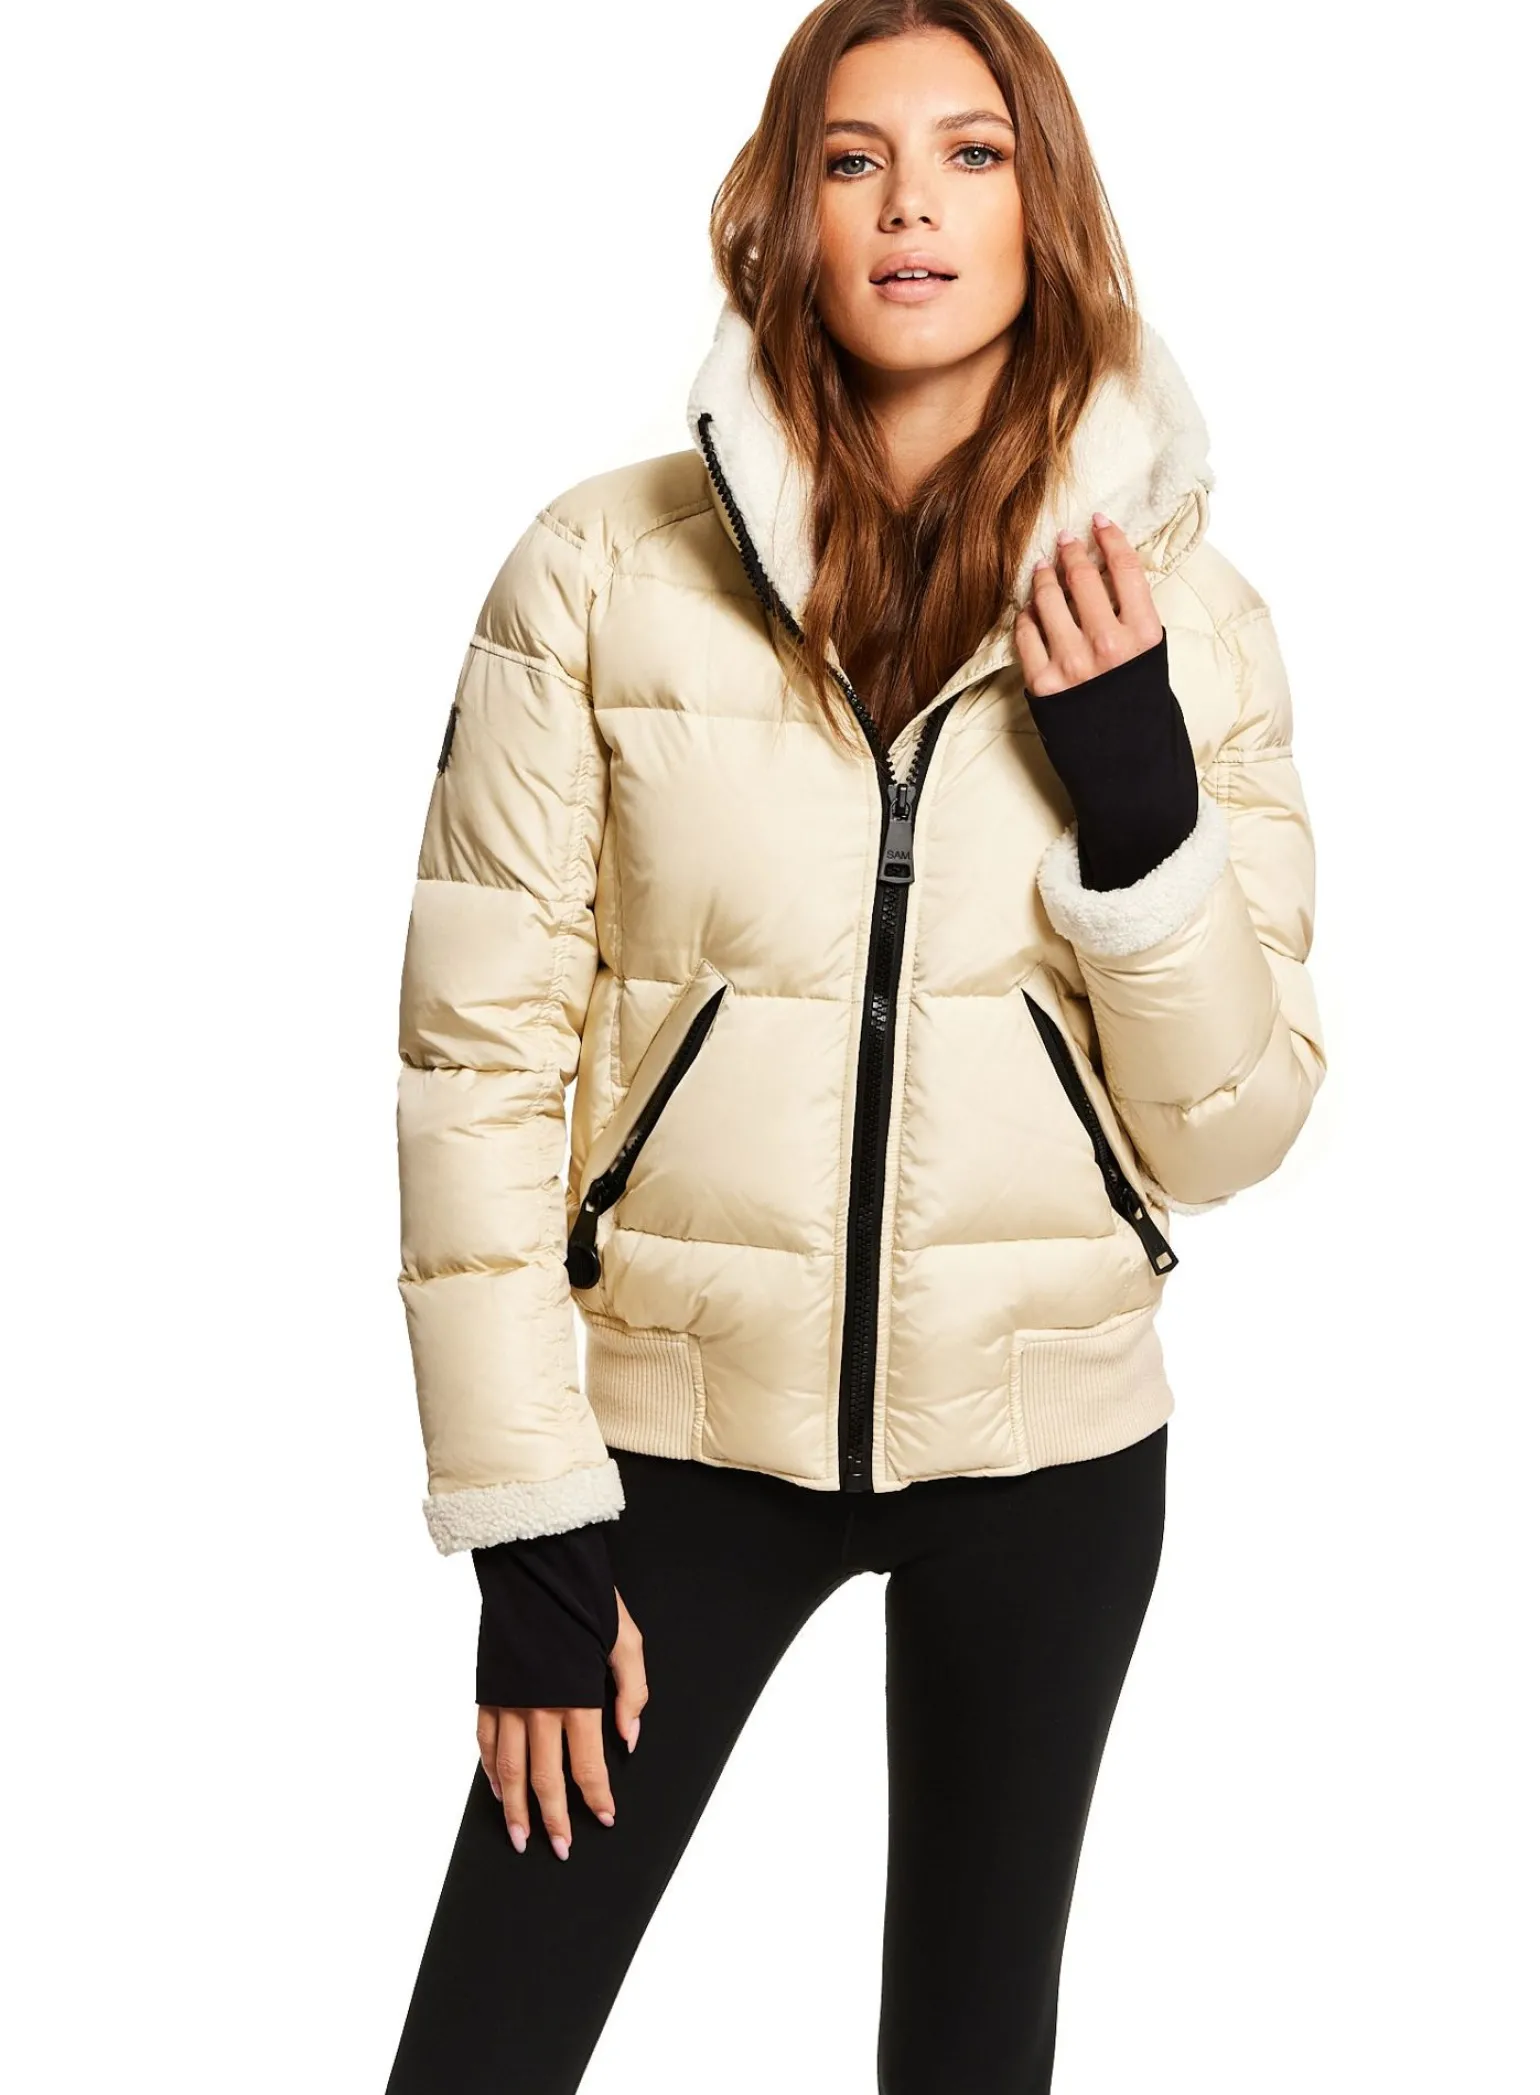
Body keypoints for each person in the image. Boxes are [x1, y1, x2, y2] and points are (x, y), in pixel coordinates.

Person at [383, 2, 1327, 2088]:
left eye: (971, 154)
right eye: (850, 157)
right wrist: (522, 1514)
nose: (910, 205)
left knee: (971, 2055)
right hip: (673, 1438)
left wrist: (1138, 800)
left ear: (1042, 207)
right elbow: (477, 1063)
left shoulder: (1187, 618)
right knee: (484, 2047)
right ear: (783, 209)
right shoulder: (598, 573)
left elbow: (1233, 1129)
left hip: (1050, 1449)